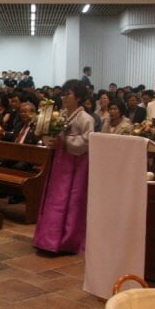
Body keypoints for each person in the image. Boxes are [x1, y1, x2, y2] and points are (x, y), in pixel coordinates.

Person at [34, 79, 94, 254]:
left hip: (76, 164)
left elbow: (87, 142)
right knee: (55, 197)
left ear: (79, 97)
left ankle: (67, 240)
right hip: (60, 161)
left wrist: (65, 141)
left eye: (68, 94)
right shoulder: (61, 115)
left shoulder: (86, 118)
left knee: (71, 200)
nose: (64, 97)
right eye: (64, 94)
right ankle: (48, 238)